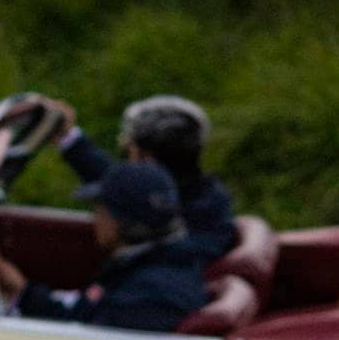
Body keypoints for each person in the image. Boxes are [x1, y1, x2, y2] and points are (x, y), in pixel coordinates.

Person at [0, 161, 210, 332]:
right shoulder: (146, 269)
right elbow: (82, 314)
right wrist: (23, 292)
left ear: (124, 223)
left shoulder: (151, 294)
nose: (96, 220)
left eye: (102, 211)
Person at [53, 94, 237, 264]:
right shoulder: (199, 197)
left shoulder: (183, 226)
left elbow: (122, 187)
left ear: (147, 158)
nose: (127, 157)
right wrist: (67, 136)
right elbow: (119, 184)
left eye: (130, 149)